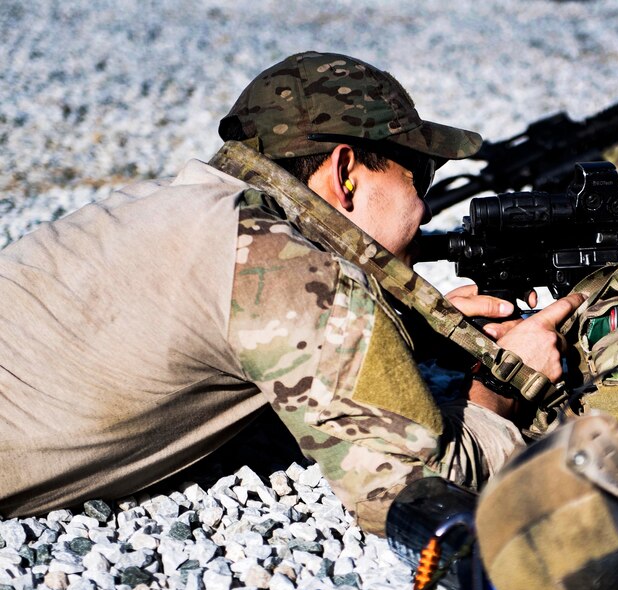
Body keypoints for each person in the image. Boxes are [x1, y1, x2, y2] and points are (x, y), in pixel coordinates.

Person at [0, 51, 581, 534]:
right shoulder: (282, 265)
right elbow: (411, 492)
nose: (425, 210)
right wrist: (498, 388)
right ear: (346, 172)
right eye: (418, 178)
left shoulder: (175, 206)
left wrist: (403, 331)